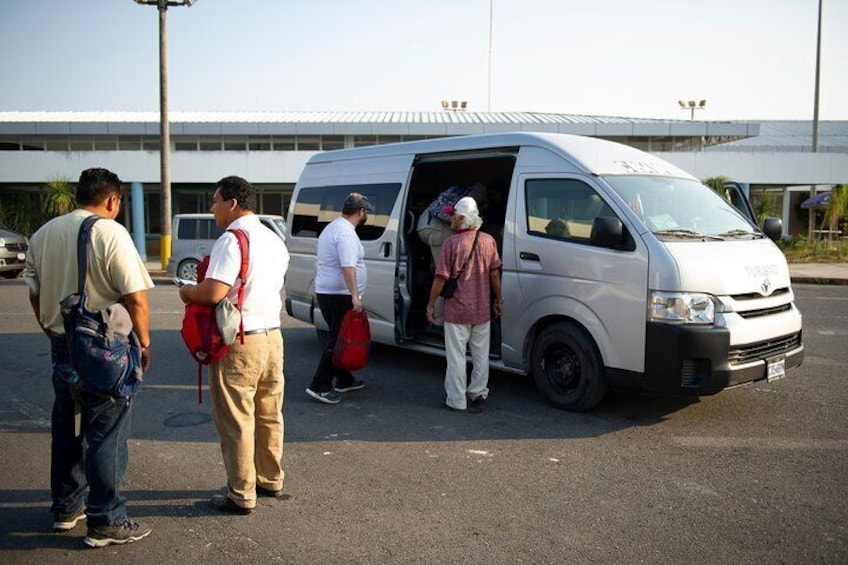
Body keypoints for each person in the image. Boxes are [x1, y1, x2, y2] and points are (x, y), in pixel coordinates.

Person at [24, 167, 154, 547]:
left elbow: (33, 291)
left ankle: (66, 507)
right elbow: (135, 297)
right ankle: (107, 519)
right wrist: (144, 343)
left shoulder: (45, 233)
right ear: (112, 199)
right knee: (106, 430)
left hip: (62, 343)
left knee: (68, 424)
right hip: (105, 345)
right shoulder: (110, 231)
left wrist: (48, 326)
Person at [178, 176, 290, 515]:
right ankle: (270, 478)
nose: (212, 208)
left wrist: (187, 291)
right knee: (269, 413)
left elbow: (213, 292)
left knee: (236, 418)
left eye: (214, 202)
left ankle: (241, 493)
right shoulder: (273, 239)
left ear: (232, 203)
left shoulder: (232, 238)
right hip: (272, 336)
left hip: (240, 341)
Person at [426, 196, 504, 412]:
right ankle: (478, 393)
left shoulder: (451, 244)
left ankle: (456, 400)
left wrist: (431, 305)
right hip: (482, 310)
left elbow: (440, 278)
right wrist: (499, 300)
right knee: (481, 356)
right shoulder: (488, 240)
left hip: (457, 311)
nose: (449, 219)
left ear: (461, 219)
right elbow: (495, 275)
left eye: (452, 216)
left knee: (457, 357)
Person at [306, 192, 375, 405]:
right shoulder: (345, 233)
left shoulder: (334, 226)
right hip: (340, 295)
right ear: (360, 211)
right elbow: (348, 267)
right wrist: (355, 296)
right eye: (366, 212)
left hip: (330, 293)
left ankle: (345, 379)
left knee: (340, 336)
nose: (366, 215)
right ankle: (319, 385)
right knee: (338, 340)